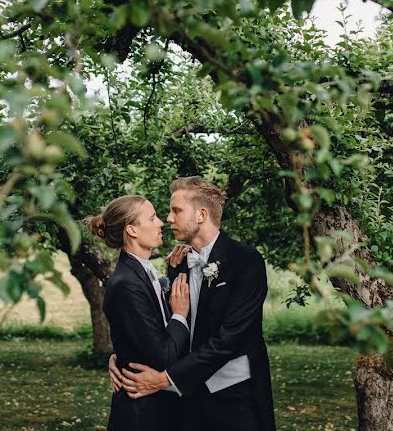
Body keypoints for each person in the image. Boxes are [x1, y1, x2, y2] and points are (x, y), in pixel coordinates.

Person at [109, 176, 276, 431]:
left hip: (233, 397)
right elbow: (160, 326)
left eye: (176, 210)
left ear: (201, 215)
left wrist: (166, 379)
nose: (168, 218)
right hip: (186, 402)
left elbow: (228, 339)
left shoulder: (246, 261)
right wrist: (123, 356)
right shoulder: (178, 264)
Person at [87, 195, 191, 431]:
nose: (161, 223)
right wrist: (180, 315)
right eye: (152, 218)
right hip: (143, 414)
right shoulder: (126, 283)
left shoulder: (142, 271)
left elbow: (140, 334)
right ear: (132, 229)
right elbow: (163, 355)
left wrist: (119, 354)